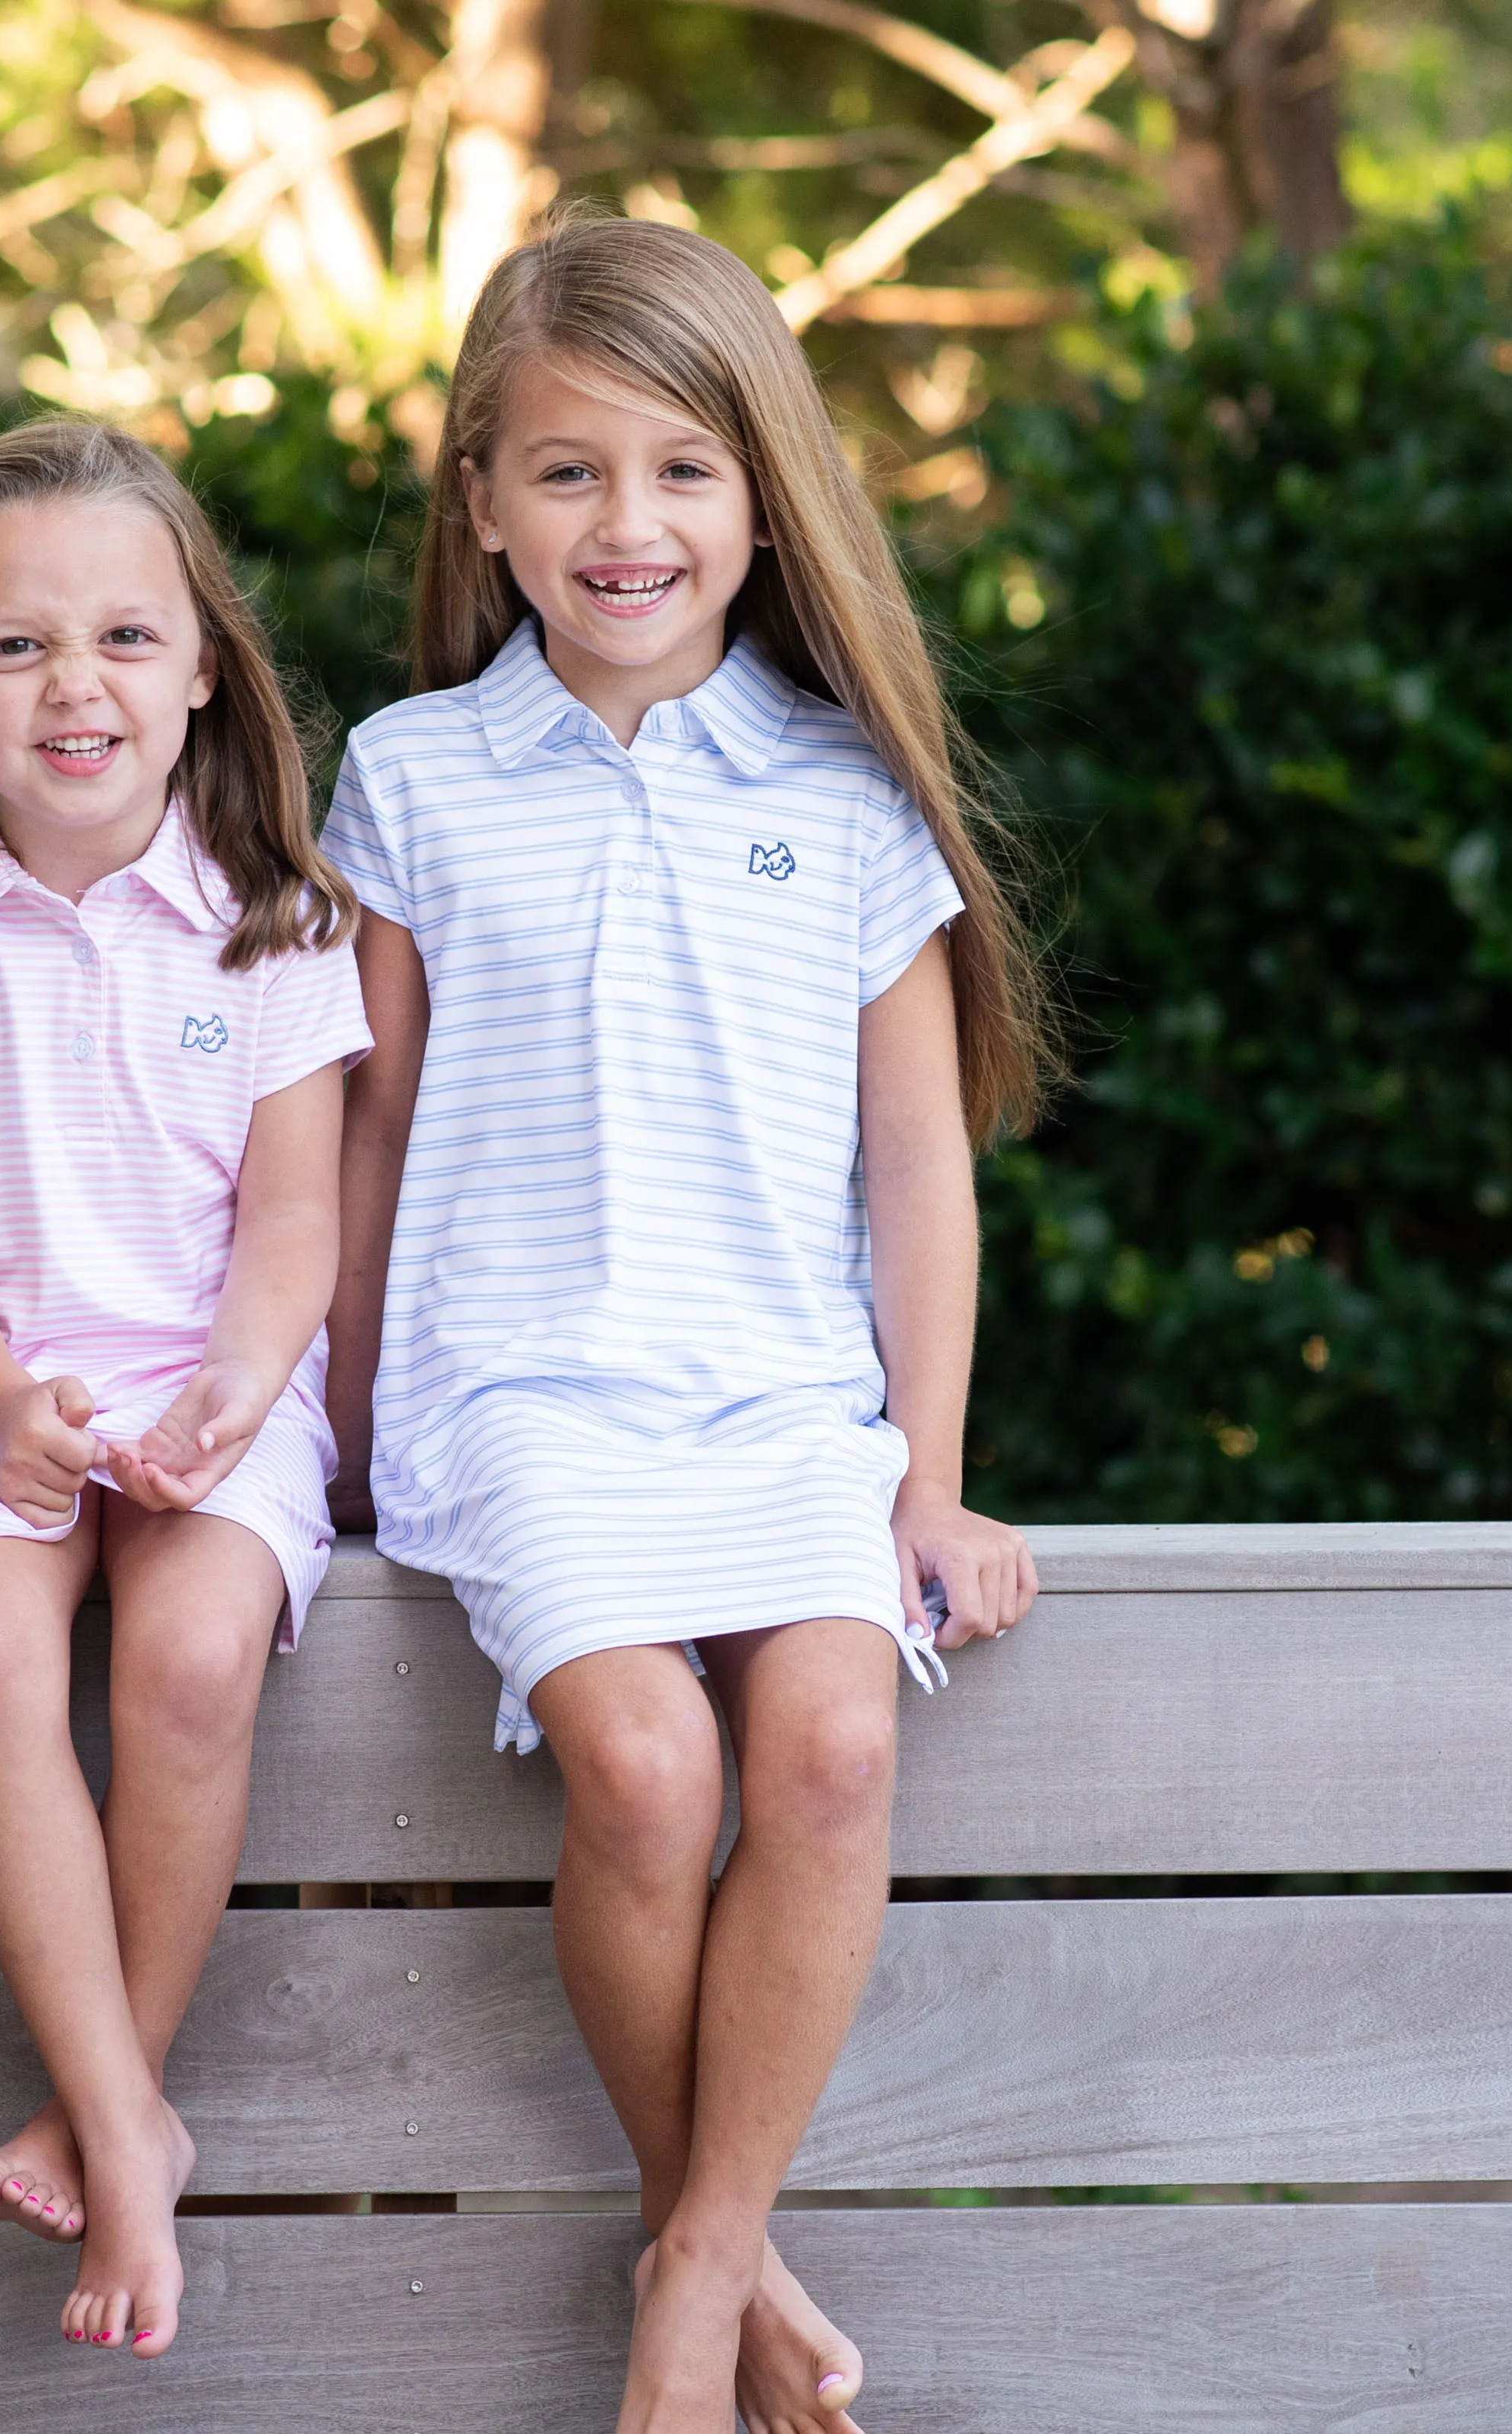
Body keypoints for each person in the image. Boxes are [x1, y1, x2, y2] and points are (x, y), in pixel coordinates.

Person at [323, 212, 1051, 2434]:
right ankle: (715, 2259)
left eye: (678, 472)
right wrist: (340, 1438)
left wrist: (922, 1469)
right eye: (564, 474)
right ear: (481, 501)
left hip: (782, 1402)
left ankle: (698, 2262)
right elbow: (365, 1137)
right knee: (646, 1765)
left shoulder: (840, 801)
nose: (624, 526)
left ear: (764, 495)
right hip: (519, 1393)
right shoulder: (414, 779)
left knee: (828, 1747)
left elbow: (920, 1168)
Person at [0, 419, 363, 2361]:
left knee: (190, 1662)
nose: (75, 685)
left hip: (213, 1387)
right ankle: (130, 2132)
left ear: (205, 666)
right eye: (14, 647)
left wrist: (245, 1387)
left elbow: (292, 1218)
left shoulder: (278, 920)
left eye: (125, 636)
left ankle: (114, 2095)